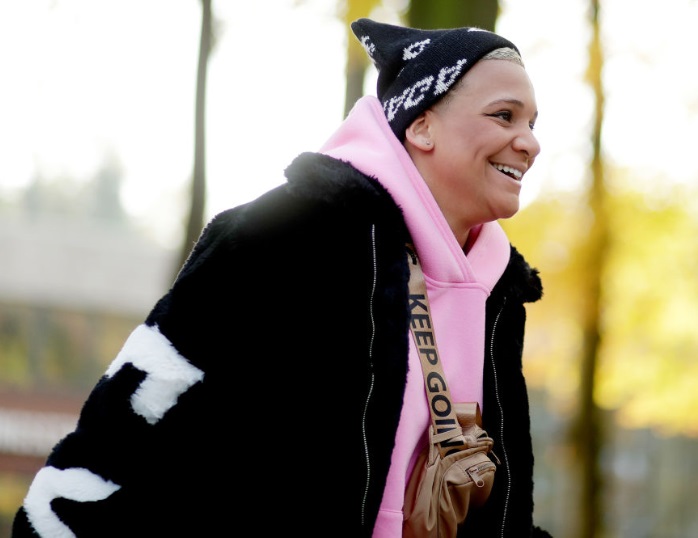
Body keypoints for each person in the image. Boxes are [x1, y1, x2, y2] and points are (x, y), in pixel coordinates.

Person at [12, 17, 552, 538]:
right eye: (504, 116)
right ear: (422, 126)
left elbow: (500, 511)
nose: (529, 142)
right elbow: (134, 420)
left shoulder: (500, 291)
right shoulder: (291, 233)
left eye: (531, 123)